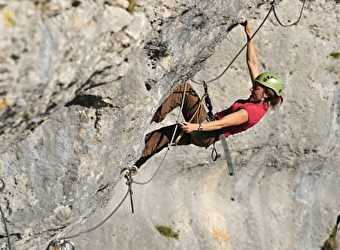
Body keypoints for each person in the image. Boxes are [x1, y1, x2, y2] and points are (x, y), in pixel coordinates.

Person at [122, 21, 283, 177]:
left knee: (183, 89)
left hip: (207, 132)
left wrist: (195, 127)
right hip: (206, 127)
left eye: (255, 88)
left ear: (266, 94)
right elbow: (252, 63)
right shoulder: (262, 98)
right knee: (166, 134)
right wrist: (249, 35)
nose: (251, 88)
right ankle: (134, 162)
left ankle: (144, 119)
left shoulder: (251, 111)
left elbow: (221, 124)